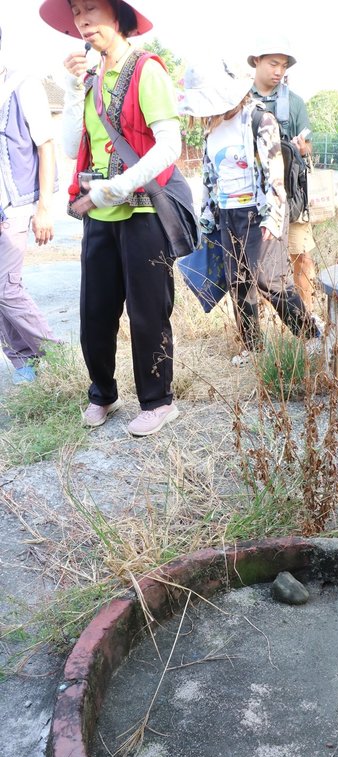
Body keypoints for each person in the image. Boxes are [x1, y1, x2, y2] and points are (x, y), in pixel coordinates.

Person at [38, 0, 182, 436]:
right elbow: (68, 145)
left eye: (92, 9)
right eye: (77, 11)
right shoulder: (92, 78)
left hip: (141, 211)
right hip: (98, 211)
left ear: (118, 17)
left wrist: (121, 185)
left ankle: (158, 401)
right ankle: (102, 392)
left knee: (148, 311)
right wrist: (71, 87)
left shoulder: (147, 70)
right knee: (95, 311)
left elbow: (169, 144)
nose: (83, 19)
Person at [179, 60, 317, 359]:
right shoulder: (211, 129)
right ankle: (252, 349)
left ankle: (311, 336)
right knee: (239, 282)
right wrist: (206, 218)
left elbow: (274, 176)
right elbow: (208, 177)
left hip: (261, 213)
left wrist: (272, 218)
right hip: (228, 215)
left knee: (272, 281)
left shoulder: (258, 119)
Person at [0, 24, 60, 384]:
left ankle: (59, 355)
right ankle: (23, 363)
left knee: (7, 288)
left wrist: (44, 208)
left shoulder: (23, 86)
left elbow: (45, 146)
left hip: (18, 207)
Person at [248, 41, 321, 323]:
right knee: (253, 263)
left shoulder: (295, 102)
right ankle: (257, 328)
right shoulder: (240, 99)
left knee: (300, 255)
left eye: (284, 65)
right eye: (273, 64)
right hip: (251, 194)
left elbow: (309, 148)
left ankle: (308, 320)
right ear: (256, 61)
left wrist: (301, 147)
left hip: (290, 194)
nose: (279, 71)